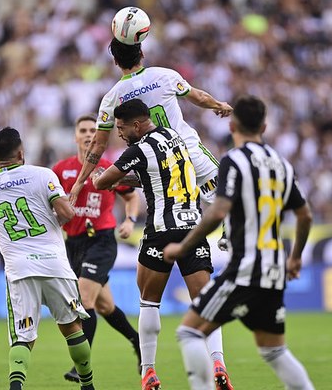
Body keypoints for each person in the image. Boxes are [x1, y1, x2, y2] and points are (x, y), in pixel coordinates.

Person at [163, 95, 315, 390]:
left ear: (232, 124)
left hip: (245, 268)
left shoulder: (234, 160)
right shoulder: (281, 163)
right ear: (265, 125)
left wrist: (183, 247)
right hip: (274, 271)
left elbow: (218, 211)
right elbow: (305, 215)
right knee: (275, 351)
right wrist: (295, 257)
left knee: (189, 333)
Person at [92, 99, 233, 390]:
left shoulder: (139, 149)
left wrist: (96, 179)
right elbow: (151, 177)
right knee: (204, 301)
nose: (119, 134)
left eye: (121, 128)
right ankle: (218, 363)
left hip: (160, 229)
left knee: (148, 300)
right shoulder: (175, 136)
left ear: (137, 125)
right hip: (193, 227)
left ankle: (149, 372)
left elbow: (104, 182)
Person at [0, 127, 95, 390]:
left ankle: (16, 387)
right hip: (54, 263)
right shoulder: (42, 174)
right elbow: (67, 212)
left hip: (19, 268)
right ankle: (87, 386)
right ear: (21, 151)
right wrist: (58, 216)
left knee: (23, 337)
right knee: (72, 328)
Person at [69, 38, 232, 214]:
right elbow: (199, 97)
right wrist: (218, 105)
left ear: (116, 61)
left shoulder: (112, 97)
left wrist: (80, 181)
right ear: (142, 54)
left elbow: (98, 144)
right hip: (190, 151)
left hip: (157, 162)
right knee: (226, 198)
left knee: (173, 214)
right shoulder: (165, 75)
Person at [53, 114, 142, 382]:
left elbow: (130, 196)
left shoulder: (108, 167)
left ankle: (81, 366)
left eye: (94, 129)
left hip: (102, 240)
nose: (90, 134)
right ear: (76, 136)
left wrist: (129, 219)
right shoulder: (61, 170)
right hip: (74, 244)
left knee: (85, 299)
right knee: (105, 306)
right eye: (84, 130)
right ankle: (137, 341)